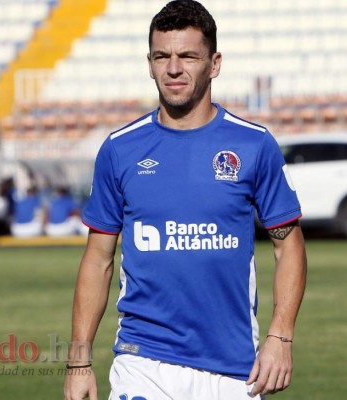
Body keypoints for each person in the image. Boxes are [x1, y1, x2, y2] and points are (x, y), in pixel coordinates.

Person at [63, 1, 307, 400]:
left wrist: (281, 336)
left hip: (234, 370)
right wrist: (78, 360)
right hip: (143, 363)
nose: (173, 68)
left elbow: (289, 246)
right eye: (162, 56)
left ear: (214, 63)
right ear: (150, 62)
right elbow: (98, 259)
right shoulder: (119, 150)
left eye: (188, 56)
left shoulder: (254, 145)